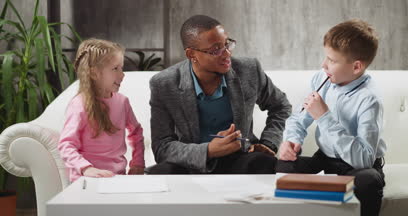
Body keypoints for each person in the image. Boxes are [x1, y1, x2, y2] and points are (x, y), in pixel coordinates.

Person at [147, 15, 291, 174]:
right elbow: (162, 146)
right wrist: (208, 150)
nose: (227, 53)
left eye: (227, 44)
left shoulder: (249, 70)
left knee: (263, 162)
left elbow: (281, 106)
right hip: (192, 164)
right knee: (160, 172)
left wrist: (269, 143)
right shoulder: (164, 84)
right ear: (191, 54)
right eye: (216, 49)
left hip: (241, 159)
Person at [276, 19, 387, 216]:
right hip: (325, 159)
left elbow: (364, 160)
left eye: (332, 60)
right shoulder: (322, 78)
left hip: (356, 167)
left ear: (356, 67)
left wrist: (324, 117)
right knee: (282, 165)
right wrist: (292, 140)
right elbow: (299, 117)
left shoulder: (369, 99)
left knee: (369, 180)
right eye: (325, 57)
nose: (324, 64)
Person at [59, 39, 145, 182]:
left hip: (118, 178)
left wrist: (137, 163)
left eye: (121, 68)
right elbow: (66, 145)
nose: (122, 75)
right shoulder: (79, 104)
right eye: (115, 68)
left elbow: (136, 133)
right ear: (94, 73)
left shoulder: (122, 102)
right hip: (85, 179)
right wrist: (87, 168)